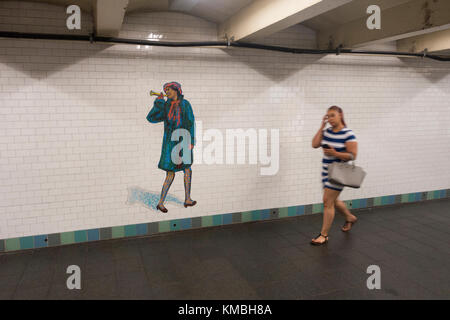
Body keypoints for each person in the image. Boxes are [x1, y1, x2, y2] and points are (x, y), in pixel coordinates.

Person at [310, 106, 358, 245]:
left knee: (327, 202)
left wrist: (335, 154)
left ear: (340, 115)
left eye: (333, 115)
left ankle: (324, 235)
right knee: (334, 201)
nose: (330, 119)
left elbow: (352, 155)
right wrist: (321, 126)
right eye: (328, 116)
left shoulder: (348, 134)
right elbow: (314, 144)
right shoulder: (327, 132)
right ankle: (350, 217)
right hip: (326, 171)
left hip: (339, 172)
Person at [146, 82, 196, 212]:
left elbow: (191, 122)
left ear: (176, 90)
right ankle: (161, 202)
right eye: (165, 90)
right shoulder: (165, 105)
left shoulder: (185, 104)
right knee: (170, 173)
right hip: (170, 143)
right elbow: (151, 118)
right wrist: (158, 103)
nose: (166, 92)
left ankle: (187, 199)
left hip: (184, 140)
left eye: (168, 89)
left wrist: (192, 141)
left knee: (187, 170)